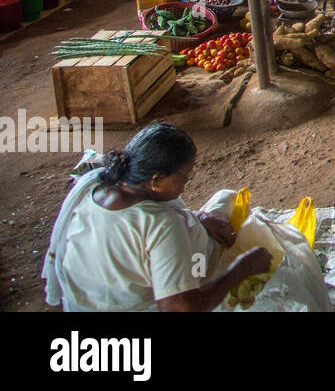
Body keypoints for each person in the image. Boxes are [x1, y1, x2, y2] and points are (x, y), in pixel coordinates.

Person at [43, 122, 272, 312]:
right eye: (184, 177)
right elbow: (180, 308)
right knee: (226, 211)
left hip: (81, 305)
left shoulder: (95, 185)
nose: (185, 184)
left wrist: (198, 217)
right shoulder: (162, 225)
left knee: (226, 198)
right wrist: (242, 268)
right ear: (155, 180)